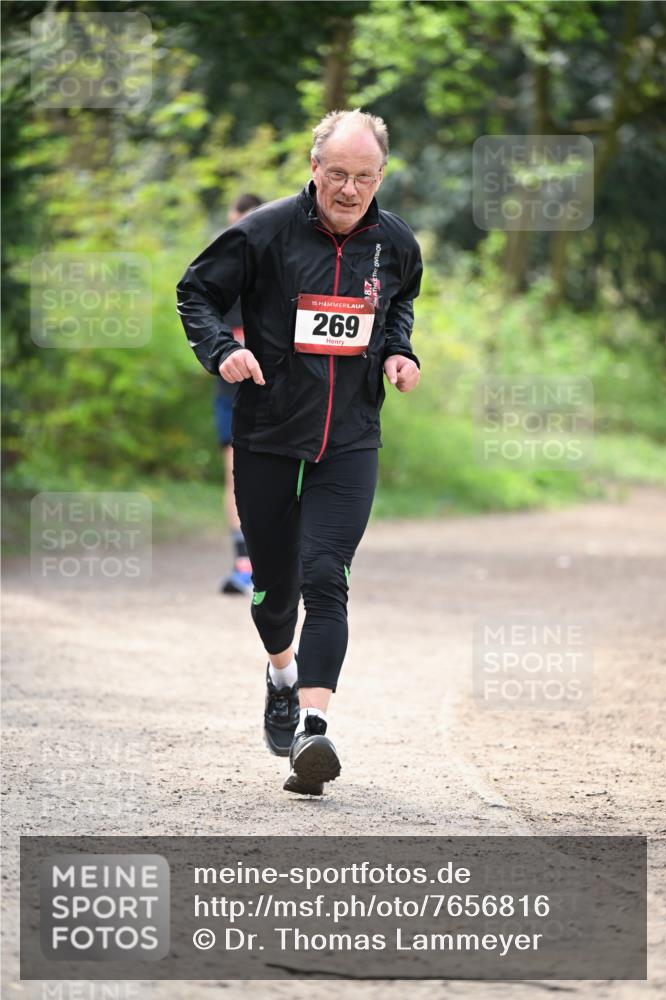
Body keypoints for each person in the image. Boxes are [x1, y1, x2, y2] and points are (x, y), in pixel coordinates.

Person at [177, 108, 422, 795]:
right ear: (314, 168)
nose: (349, 189)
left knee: (325, 575)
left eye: (364, 177)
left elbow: (398, 305)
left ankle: (313, 729)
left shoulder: (395, 243)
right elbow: (195, 291)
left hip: (350, 439)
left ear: (380, 176)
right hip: (269, 436)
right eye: (337, 174)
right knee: (273, 589)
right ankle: (281, 675)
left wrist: (400, 352)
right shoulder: (262, 232)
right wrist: (222, 349)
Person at [214, 193, 264, 595]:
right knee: (235, 475)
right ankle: (243, 564)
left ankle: (276, 562)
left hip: (280, 393)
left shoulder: (282, 263)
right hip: (230, 393)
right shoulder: (222, 267)